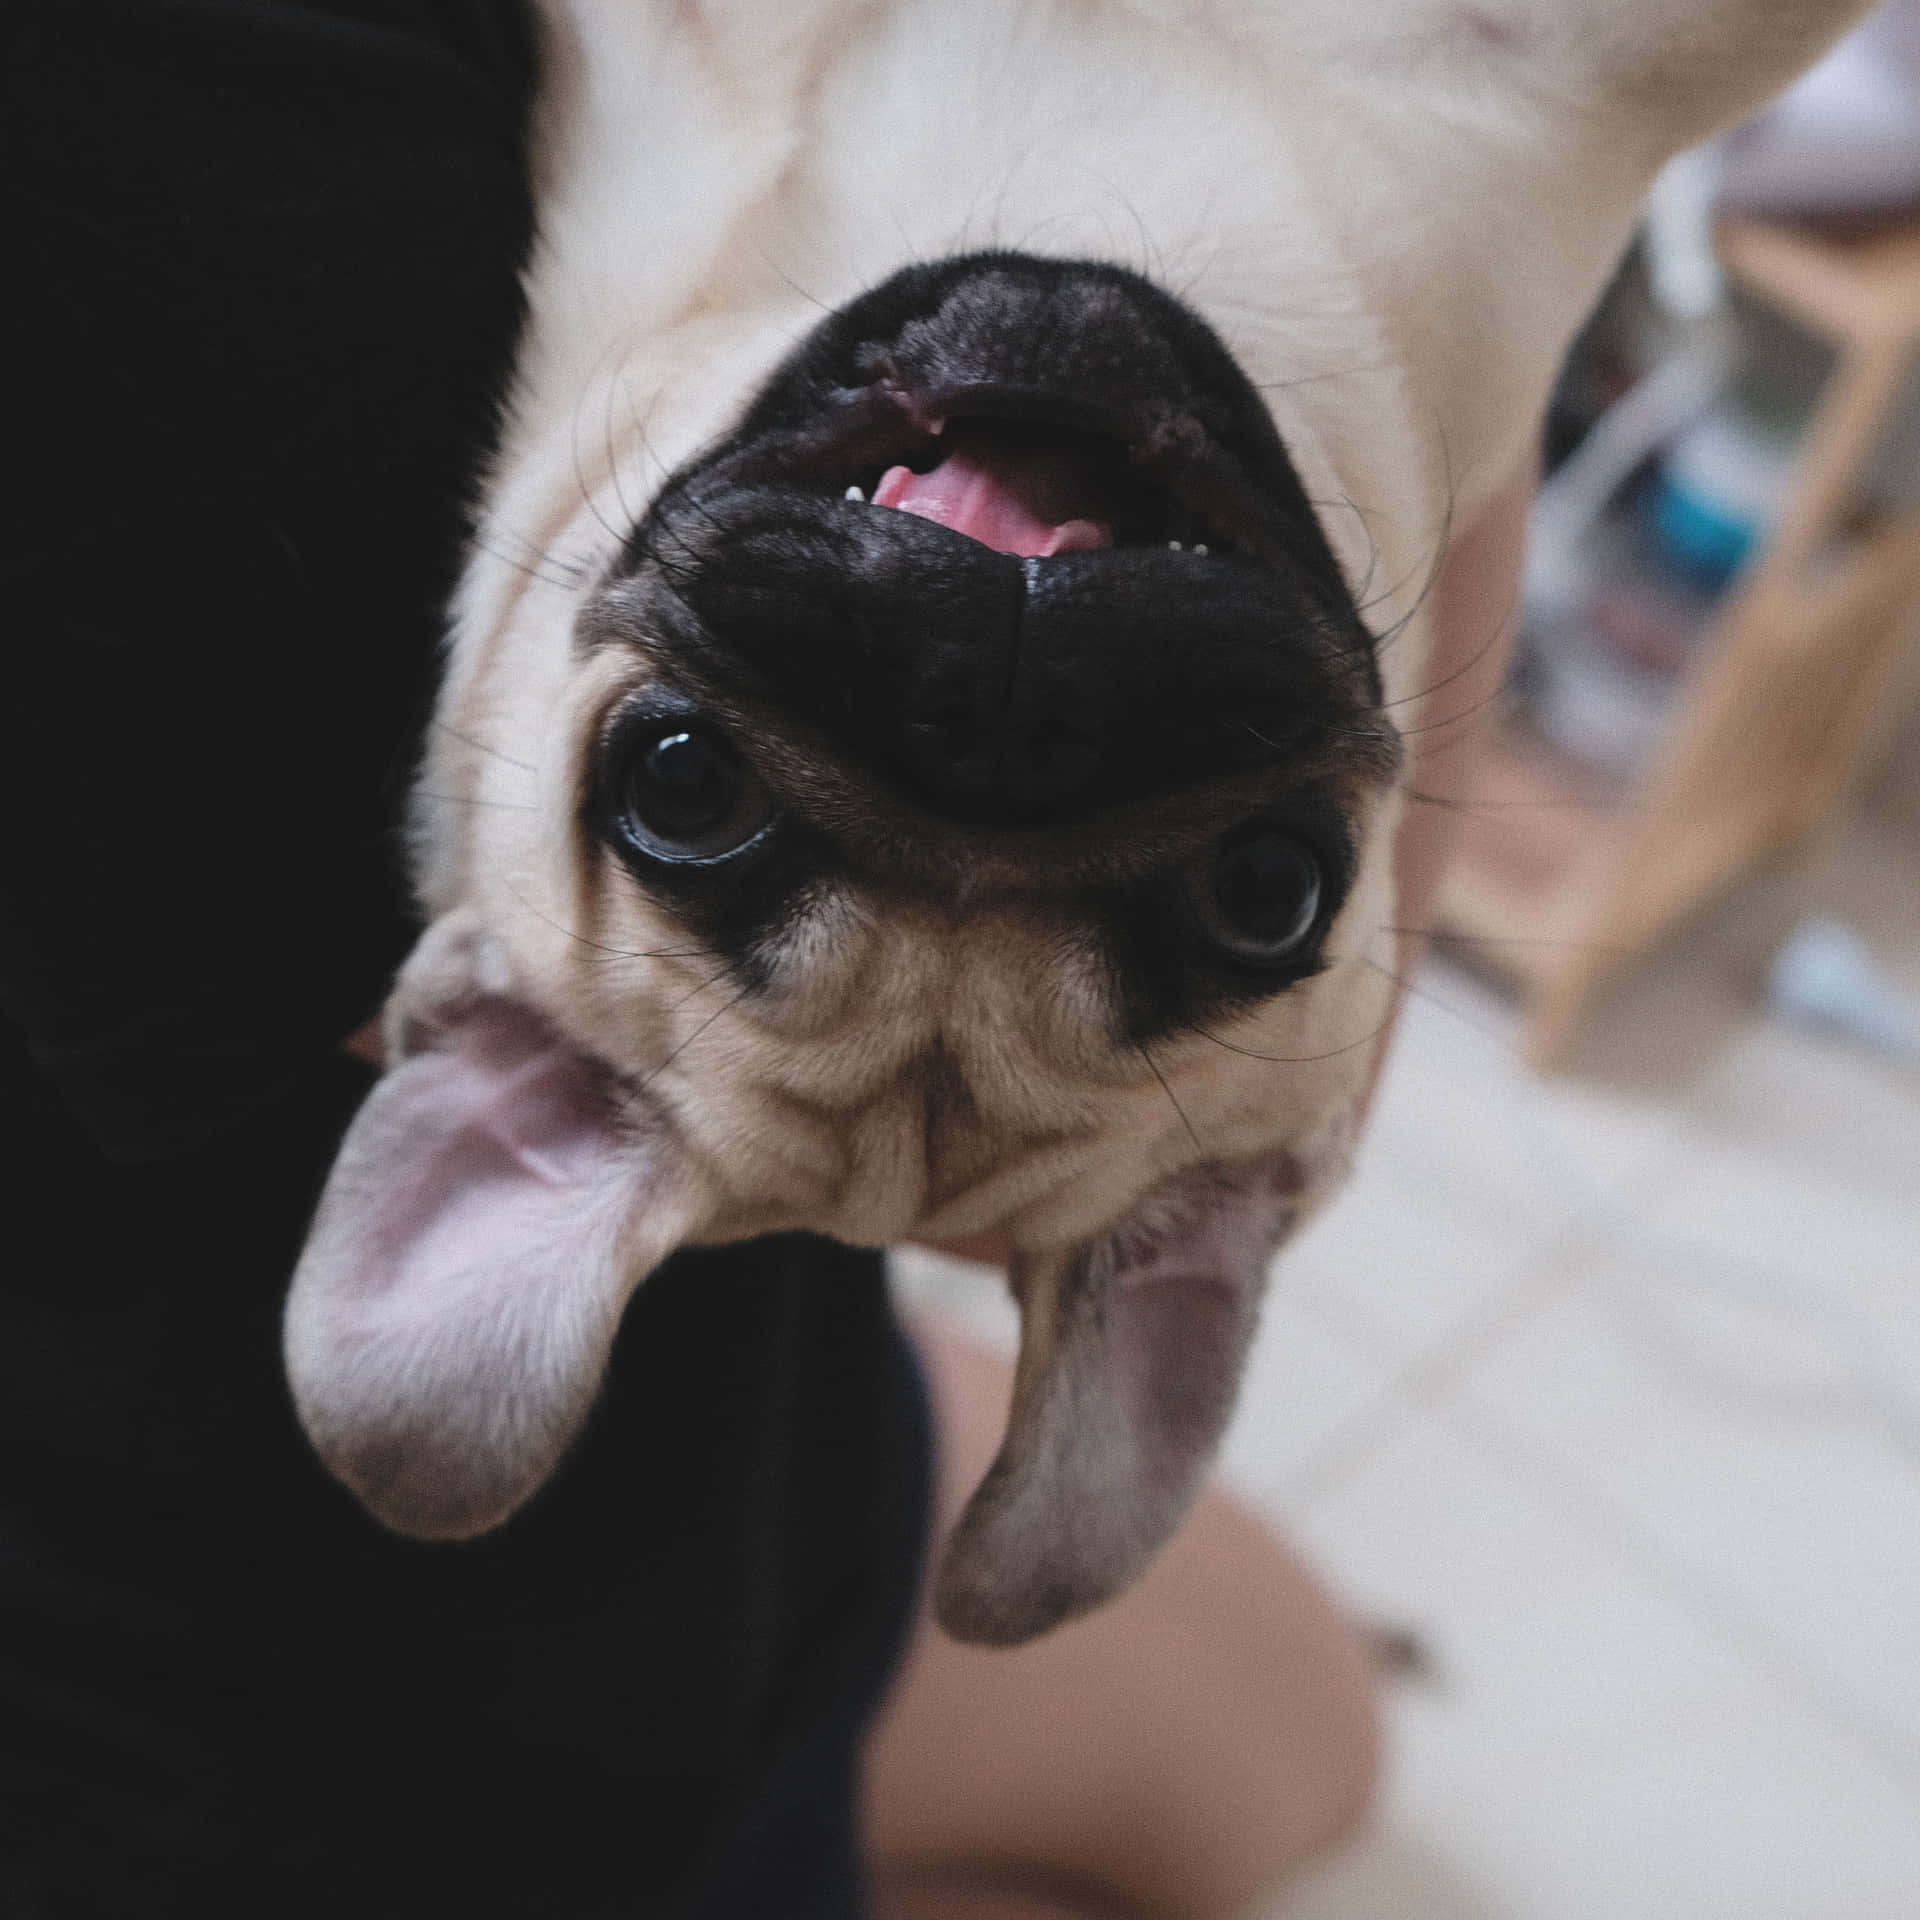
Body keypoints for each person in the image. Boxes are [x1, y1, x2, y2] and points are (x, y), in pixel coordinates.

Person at [2, 4, 1524, 1913]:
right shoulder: (177, 171)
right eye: (696, 777)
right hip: (413, 1748)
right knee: (1282, 1767)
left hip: (637, 1466)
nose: (1016, 637)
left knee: (1306, 1727)